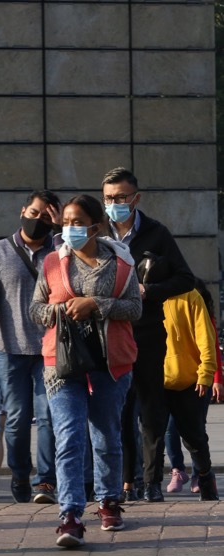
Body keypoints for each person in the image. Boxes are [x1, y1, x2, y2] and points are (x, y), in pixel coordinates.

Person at [29, 194, 141, 548]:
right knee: (69, 435)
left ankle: (108, 501)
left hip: (110, 361)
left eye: (78, 222)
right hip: (62, 363)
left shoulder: (121, 263)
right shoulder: (51, 262)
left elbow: (135, 309)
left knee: (106, 433)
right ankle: (70, 513)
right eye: (66, 222)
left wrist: (97, 304)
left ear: (96, 225)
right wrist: (59, 311)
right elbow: (35, 309)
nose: (70, 228)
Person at [101, 167, 195, 503]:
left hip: (149, 333)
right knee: (119, 410)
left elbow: (186, 279)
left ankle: (153, 480)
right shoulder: (97, 234)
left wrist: (148, 290)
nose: (115, 204)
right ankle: (128, 481)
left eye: (121, 198)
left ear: (136, 199)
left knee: (152, 411)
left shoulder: (157, 234)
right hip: (111, 335)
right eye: (109, 198)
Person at [0, 191, 61, 504]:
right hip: (9, 349)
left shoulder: (61, 250)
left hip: (51, 350)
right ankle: (21, 475)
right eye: (34, 213)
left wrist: (60, 228)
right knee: (16, 418)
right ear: (23, 210)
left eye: (46, 216)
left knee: (49, 414)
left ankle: (46, 481)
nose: (38, 220)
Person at [152, 273, 218, 501]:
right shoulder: (145, 297)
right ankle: (157, 482)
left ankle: (204, 476)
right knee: (156, 434)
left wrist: (207, 375)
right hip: (157, 381)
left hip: (191, 381)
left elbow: (208, 341)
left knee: (194, 434)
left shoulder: (192, 297)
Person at [166, 280, 224, 494]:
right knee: (170, 429)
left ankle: (199, 474)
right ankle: (177, 469)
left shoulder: (203, 316)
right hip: (172, 379)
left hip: (199, 380)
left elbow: (213, 350)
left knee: (196, 429)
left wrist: (216, 378)